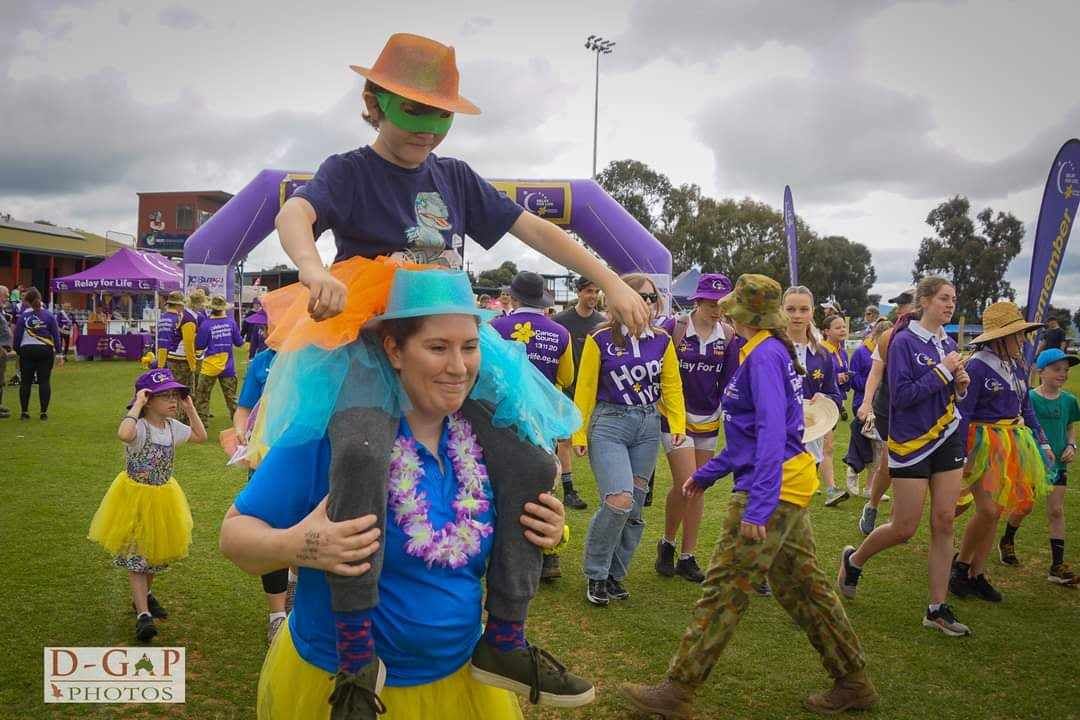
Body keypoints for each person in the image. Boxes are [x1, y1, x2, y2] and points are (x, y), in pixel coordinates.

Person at [264, 34, 647, 714]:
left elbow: (538, 231)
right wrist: (313, 267)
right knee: (358, 460)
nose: (427, 129)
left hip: (452, 343)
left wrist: (611, 279)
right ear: (374, 102)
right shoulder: (349, 170)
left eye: (440, 114)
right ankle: (357, 664)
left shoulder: (456, 177)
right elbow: (296, 211)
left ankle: (505, 636)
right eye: (412, 111)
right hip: (375, 349)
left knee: (532, 466)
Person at [221, 269, 593, 719]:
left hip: (457, 686)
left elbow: (493, 535)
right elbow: (234, 536)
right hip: (341, 688)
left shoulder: (488, 444)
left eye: (469, 347)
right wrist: (297, 545)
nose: (458, 367)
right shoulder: (330, 439)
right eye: (437, 347)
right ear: (394, 350)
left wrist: (554, 530)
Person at [623, 274, 876, 718]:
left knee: (724, 587)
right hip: (784, 482)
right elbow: (750, 433)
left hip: (772, 486)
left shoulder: (762, 356)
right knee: (806, 587)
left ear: (742, 313)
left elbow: (775, 434)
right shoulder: (760, 351)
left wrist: (758, 506)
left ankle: (677, 692)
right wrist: (711, 473)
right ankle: (854, 682)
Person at [837, 277, 973, 637]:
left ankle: (936, 608)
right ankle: (854, 561)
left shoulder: (946, 340)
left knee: (944, 520)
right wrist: (944, 371)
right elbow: (902, 396)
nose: (950, 305)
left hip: (947, 437)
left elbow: (942, 390)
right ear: (924, 301)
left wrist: (958, 386)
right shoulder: (903, 341)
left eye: (954, 299)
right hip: (910, 442)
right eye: (944, 298)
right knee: (904, 528)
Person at [574, 273, 686, 606]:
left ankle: (614, 574)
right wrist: (578, 432)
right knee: (618, 501)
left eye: (652, 298)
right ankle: (596, 573)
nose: (649, 303)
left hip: (648, 425)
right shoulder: (600, 339)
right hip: (610, 424)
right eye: (642, 297)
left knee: (635, 508)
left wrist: (677, 422)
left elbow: (672, 385)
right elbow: (585, 389)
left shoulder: (662, 340)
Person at [88, 368, 207, 642]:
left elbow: (200, 436)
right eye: (165, 396)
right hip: (135, 499)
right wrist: (137, 404)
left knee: (153, 556)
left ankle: (145, 596)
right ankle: (143, 614)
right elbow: (123, 433)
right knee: (138, 557)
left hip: (163, 498)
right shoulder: (140, 427)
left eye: (175, 395)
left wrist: (190, 408)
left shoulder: (171, 427)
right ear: (149, 400)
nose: (173, 401)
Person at [950, 301, 1053, 603]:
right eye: (1017, 335)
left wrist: (1042, 441)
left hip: (1011, 444)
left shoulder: (1017, 366)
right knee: (989, 510)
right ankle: (960, 567)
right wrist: (961, 454)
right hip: (982, 444)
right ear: (1000, 337)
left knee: (996, 513)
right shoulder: (977, 366)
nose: (1022, 340)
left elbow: (1027, 408)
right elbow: (963, 412)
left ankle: (976, 573)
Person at [490, 270, 574, 580]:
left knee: (499, 478)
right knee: (544, 480)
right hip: (543, 420)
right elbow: (567, 378)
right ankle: (548, 556)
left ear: (514, 297)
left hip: (502, 416)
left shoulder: (495, 327)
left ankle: (496, 543)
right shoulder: (560, 333)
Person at [654, 273, 738, 584]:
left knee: (697, 486)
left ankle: (686, 555)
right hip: (674, 417)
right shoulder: (673, 328)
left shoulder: (728, 337)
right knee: (685, 482)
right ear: (698, 300)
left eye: (722, 304)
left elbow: (730, 382)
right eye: (711, 303)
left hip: (709, 418)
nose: (717, 309)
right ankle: (668, 542)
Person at [999, 348, 1080, 585]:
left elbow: (1068, 428)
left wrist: (1072, 446)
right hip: (1032, 462)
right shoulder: (1030, 398)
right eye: (1056, 369)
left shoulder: (1069, 401)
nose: (1062, 374)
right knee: (1024, 507)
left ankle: (1056, 565)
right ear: (1040, 372)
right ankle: (1007, 540)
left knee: (1056, 511)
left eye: (1065, 370)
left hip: (1059, 465)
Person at [854, 287, 915, 535]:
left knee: (914, 463)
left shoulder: (939, 338)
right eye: (905, 306)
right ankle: (873, 504)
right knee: (891, 462)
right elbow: (875, 373)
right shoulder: (889, 337)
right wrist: (866, 402)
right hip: (891, 408)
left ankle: (898, 518)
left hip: (925, 411)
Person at [783, 286, 847, 506]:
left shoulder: (822, 354)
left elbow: (835, 395)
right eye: (791, 309)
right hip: (776, 435)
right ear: (781, 311)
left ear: (811, 312)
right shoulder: (771, 348)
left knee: (799, 504)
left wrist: (825, 399)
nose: (797, 315)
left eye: (803, 309)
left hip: (812, 437)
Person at [554, 276, 607, 511]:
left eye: (596, 292)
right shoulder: (561, 321)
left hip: (594, 392)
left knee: (600, 440)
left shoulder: (602, 323)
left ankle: (609, 489)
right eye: (588, 291)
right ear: (578, 293)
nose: (593, 296)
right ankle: (568, 490)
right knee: (564, 440)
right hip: (566, 389)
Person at [843, 319, 889, 499]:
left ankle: (869, 486)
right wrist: (875, 385)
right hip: (863, 403)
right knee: (869, 443)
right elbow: (853, 380)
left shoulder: (890, 352)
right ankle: (853, 467)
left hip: (883, 404)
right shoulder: (861, 352)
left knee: (878, 447)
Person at [13, 288, 61, 421]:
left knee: (26, 382)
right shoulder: (49, 315)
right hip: (45, 350)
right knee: (44, 381)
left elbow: (17, 335)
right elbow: (56, 335)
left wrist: (18, 350)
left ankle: (24, 412)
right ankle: (43, 413)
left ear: (26, 300)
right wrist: (59, 352)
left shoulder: (23, 316)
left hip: (27, 350)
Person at [193, 296, 244, 422]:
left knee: (202, 396)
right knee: (231, 397)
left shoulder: (206, 324)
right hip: (228, 366)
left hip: (210, 366)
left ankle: (202, 424)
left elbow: (200, 345)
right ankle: (240, 424)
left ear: (211, 309)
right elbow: (239, 342)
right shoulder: (231, 322)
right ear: (223, 309)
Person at [164, 292, 200, 393]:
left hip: (170, 357)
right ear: (180, 305)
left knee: (172, 391)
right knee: (186, 394)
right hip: (182, 360)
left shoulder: (166, 317)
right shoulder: (189, 319)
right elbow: (189, 345)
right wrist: (193, 365)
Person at [0, 285, 11, 418]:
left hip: (2, 349)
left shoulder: (1, 311)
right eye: (6, 295)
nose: (7, 298)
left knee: (1, 379)